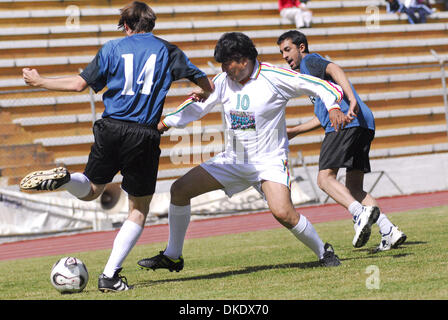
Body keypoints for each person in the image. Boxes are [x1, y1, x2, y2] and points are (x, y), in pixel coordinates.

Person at [19, 1, 214, 292]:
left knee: (91, 190)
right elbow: (206, 84)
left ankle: (67, 178)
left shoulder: (111, 48)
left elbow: (77, 85)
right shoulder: (168, 50)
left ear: (126, 26)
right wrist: (201, 90)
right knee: (138, 208)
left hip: (109, 127)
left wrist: (39, 80)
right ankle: (109, 276)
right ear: (152, 24)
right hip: (142, 133)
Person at [137, 32, 343, 273]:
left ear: (243, 60)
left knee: (284, 213)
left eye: (227, 63)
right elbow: (197, 105)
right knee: (179, 190)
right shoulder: (224, 81)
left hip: (269, 161)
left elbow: (323, 86)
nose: (224, 69)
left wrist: (333, 106)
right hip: (234, 160)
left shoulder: (274, 76)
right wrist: (162, 126)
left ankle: (323, 251)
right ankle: (172, 256)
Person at [277, 30, 407, 251]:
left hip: (345, 123)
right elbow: (323, 115)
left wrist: (352, 97)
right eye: (281, 52)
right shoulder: (312, 80)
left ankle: (359, 214)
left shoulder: (310, 62)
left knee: (324, 179)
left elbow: (334, 68)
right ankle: (389, 231)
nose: (284, 56)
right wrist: (296, 130)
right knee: (354, 189)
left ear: (301, 48)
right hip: (364, 124)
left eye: (287, 50)